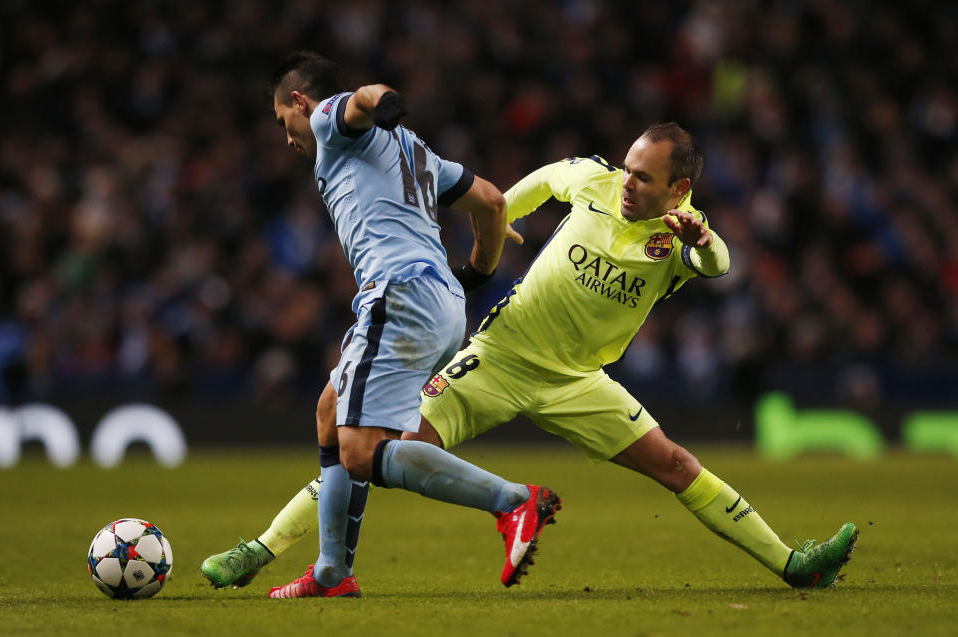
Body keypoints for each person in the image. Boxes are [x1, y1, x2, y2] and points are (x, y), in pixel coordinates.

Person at [203, 122, 857, 594]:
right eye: (628, 167)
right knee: (377, 444)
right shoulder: (596, 182)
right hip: (501, 355)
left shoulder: (680, 234)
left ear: (677, 187)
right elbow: (549, 178)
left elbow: (718, 266)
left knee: (677, 463)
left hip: (578, 380)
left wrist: (705, 238)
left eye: (645, 177)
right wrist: (505, 212)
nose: (628, 183)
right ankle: (261, 550)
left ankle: (795, 564)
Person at [199, 51, 563, 598]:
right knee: (331, 411)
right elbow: (490, 203)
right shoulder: (417, 151)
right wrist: (475, 273)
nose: (288, 138)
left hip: (398, 295)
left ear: (299, 102)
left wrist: (382, 101)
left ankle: (513, 501)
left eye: (283, 122)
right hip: (438, 300)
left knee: (362, 452)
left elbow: (365, 99)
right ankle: (331, 572)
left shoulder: (328, 123)